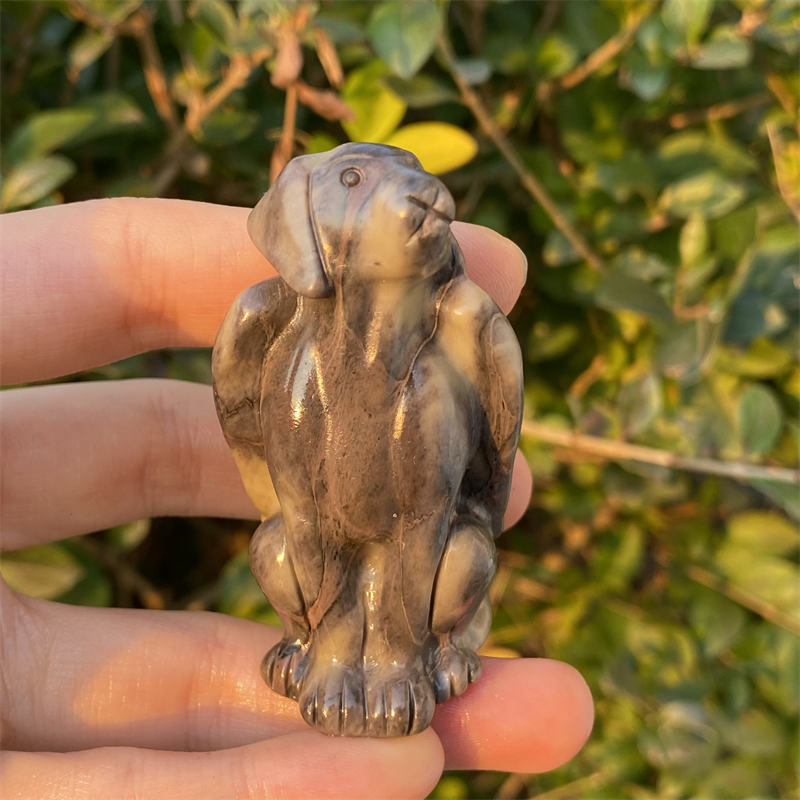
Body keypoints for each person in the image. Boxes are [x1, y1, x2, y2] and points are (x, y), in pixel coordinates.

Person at [0, 198, 594, 799]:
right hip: (318, 556)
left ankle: (417, 650)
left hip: (422, 558)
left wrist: (396, 662)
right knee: (278, 548)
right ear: (304, 229)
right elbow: (298, 514)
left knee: (462, 557)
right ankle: (321, 643)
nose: (424, 195)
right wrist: (333, 647)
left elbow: (436, 518)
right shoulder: (280, 342)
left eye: (419, 182)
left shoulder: (455, 334)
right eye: (356, 181)